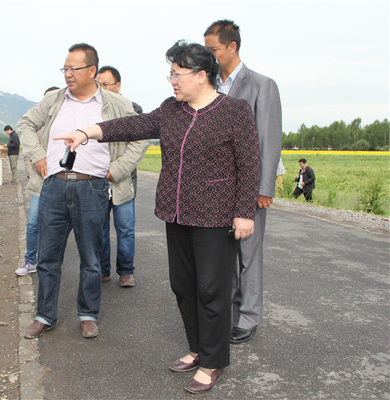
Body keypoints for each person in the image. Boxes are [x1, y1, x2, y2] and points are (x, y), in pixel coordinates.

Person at [54, 41, 260, 394]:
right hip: (176, 213)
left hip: (215, 216)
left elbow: (249, 164)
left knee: (211, 289)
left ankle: (213, 361)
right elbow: (132, 126)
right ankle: (197, 348)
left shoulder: (234, 111)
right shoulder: (170, 110)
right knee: (183, 286)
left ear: (201, 75)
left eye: (177, 74)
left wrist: (244, 213)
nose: (172, 81)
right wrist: (87, 133)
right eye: (171, 75)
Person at [18, 43, 136, 339]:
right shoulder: (55, 99)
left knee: (91, 258)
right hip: (54, 186)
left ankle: (88, 314)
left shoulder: (114, 103)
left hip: (92, 188)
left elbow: (140, 134)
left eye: (74, 68)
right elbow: (26, 123)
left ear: (92, 70)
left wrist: (119, 168)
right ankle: (44, 316)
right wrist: (37, 156)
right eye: (65, 68)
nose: (68, 74)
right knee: (48, 257)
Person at [204, 19, 282, 344]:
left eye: (213, 49)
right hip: (216, 187)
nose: (209, 55)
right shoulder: (208, 84)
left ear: (232, 46)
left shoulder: (262, 85)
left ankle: (249, 317)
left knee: (248, 255)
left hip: (249, 186)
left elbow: (268, 140)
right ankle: (230, 313)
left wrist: (264, 188)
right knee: (224, 257)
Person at [95, 66, 150, 287]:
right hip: (97, 181)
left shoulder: (132, 110)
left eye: (105, 84)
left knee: (125, 229)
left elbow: (139, 144)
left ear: (118, 86)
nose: (101, 89)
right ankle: (102, 269)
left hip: (123, 180)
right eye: (98, 84)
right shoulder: (92, 110)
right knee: (99, 230)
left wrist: (117, 170)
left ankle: (126, 271)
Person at [15, 86, 60, 277]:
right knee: (33, 223)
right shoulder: (36, 127)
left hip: (63, 181)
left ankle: (53, 263)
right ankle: (30, 260)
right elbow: (28, 155)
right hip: (41, 182)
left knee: (58, 225)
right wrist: (33, 170)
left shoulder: (65, 122)